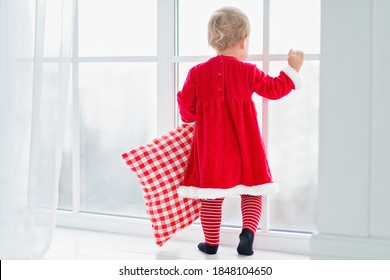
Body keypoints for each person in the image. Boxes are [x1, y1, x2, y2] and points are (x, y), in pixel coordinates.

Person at [177, 6, 304, 255]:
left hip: (211, 148)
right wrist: (292, 70)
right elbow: (274, 89)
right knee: (252, 189)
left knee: (211, 195)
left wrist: (192, 119)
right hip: (246, 144)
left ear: (213, 41)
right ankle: (247, 234)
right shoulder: (247, 72)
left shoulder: (196, 73)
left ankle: (211, 243)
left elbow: (185, 107)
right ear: (244, 41)